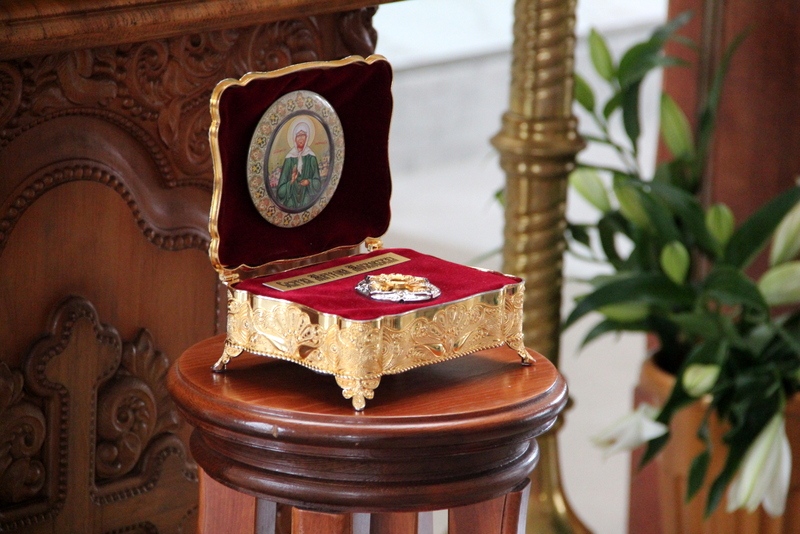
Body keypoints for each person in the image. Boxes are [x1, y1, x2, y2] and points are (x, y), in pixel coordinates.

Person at [276, 119, 322, 211]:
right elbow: (280, 192)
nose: (301, 138)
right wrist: (291, 181)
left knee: (306, 203)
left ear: (307, 137)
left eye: (303, 135)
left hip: (306, 196)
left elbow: (318, 184)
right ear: (294, 138)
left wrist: (308, 182)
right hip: (290, 198)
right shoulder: (289, 158)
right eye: (298, 136)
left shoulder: (311, 157)